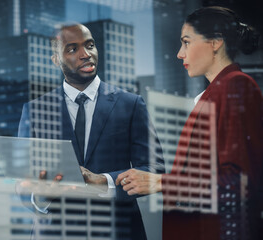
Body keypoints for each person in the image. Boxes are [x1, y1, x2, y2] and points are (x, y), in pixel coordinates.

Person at [116, 6, 263, 240]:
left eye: (186, 42)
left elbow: (239, 183)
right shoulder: (214, 94)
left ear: (215, 42)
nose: (179, 53)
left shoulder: (237, 86)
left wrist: (162, 182)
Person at [18, 23, 165, 239]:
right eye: (72, 49)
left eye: (90, 45)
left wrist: (104, 181)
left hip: (118, 230)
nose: (86, 54)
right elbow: (22, 182)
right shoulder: (35, 111)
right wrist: (41, 195)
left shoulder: (130, 104)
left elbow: (155, 168)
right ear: (56, 60)